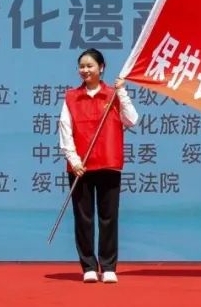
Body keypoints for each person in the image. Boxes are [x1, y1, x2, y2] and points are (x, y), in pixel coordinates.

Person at [57, 48, 140, 284]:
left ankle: (109, 266)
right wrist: (73, 160)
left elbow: (132, 120)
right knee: (83, 218)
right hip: (81, 166)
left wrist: (122, 92)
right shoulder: (71, 97)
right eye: (81, 66)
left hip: (108, 163)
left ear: (101, 68)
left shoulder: (113, 94)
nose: (85, 70)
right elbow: (65, 129)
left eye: (90, 66)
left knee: (108, 217)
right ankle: (89, 267)